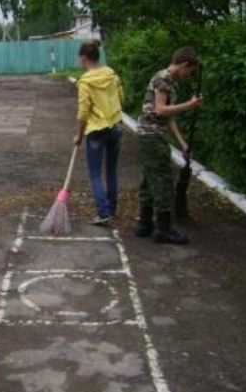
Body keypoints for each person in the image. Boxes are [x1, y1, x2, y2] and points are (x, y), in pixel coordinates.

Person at [135, 46, 203, 244]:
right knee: (163, 180)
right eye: (189, 72)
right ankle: (164, 229)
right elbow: (161, 110)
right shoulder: (163, 79)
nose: (188, 76)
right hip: (151, 136)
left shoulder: (170, 81)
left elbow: (169, 117)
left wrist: (182, 144)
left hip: (153, 134)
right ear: (184, 64)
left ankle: (145, 224)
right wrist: (189, 105)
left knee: (149, 179)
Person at [73, 40, 124, 226]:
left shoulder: (85, 82)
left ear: (84, 58)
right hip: (116, 126)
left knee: (95, 173)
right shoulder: (112, 75)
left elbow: (83, 111)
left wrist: (79, 135)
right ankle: (112, 209)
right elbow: (122, 97)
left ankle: (103, 213)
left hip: (96, 130)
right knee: (111, 170)